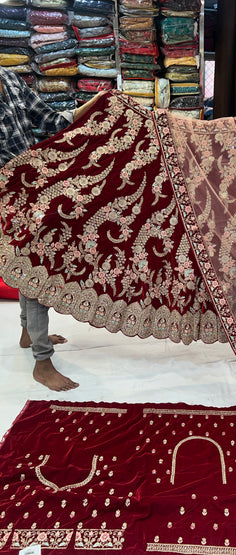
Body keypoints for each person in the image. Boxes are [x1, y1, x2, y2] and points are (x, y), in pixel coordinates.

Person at [0, 66, 105, 391]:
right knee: (35, 270)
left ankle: (28, 334)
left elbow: (49, 120)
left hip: (31, 185)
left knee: (28, 265)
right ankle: (42, 362)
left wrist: (92, 105)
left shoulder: (10, 80)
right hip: (8, 195)